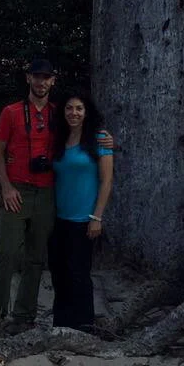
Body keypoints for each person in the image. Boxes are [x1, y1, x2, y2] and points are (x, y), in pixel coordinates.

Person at [0, 58, 58, 335]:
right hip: (17, 189)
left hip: (47, 191)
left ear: (53, 81)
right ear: (28, 78)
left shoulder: (57, 113)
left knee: (36, 256)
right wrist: (5, 186)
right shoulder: (12, 112)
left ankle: (24, 317)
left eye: (46, 77)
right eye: (36, 77)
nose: (41, 82)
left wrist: (106, 141)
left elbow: (81, 133)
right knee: (6, 251)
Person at [48, 88, 113, 332]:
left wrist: (97, 216)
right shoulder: (59, 140)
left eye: (79, 108)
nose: (73, 113)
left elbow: (107, 181)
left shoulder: (99, 139)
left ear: (86, 112)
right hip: (59, 218)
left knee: (79, 272)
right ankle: (62, 322)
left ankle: (84, 324)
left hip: (84, 219)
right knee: (58, 271)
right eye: (69, 108)